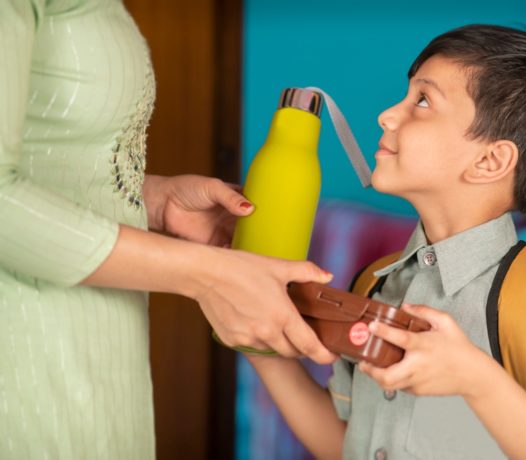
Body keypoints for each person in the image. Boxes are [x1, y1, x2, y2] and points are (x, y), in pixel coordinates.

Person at [245, 24, 526, 459]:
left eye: (422, 100)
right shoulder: (374, 283)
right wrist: (259, 339)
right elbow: (346, 443)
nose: (386, 115)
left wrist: (473, 377)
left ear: (490, 160)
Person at [0, 1, 335, 458]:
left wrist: (153, 200)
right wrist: (206, 274)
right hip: (26, 338)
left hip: (98, 341)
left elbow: (48, 158)